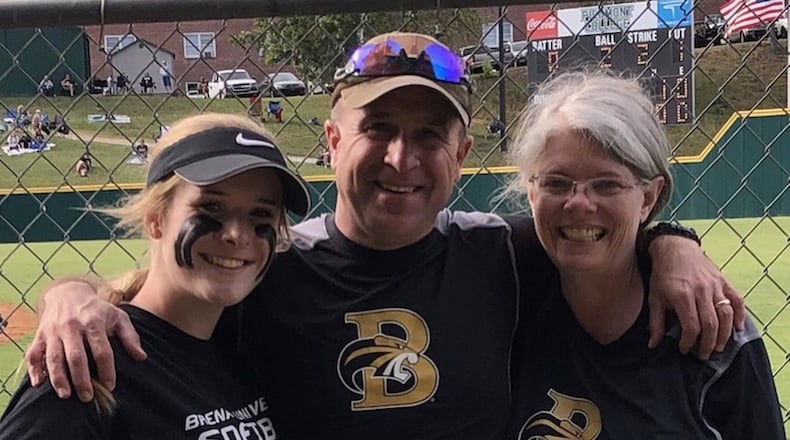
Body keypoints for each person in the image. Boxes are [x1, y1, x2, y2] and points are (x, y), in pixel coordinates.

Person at [26, 33, 743, 440]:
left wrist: (671, 243)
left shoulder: (508, 254)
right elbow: (172, 291)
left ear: (461, 156)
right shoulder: (269, 268)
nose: (402, 160)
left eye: (429, 136)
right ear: (333, 140)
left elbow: (591, 229)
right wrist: (75, 298)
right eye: (379, 130)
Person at [506, 70, 785, 439]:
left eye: (606, 184)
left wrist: (674, 240)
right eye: (556, 183)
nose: (578, 204)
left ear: (648, 198)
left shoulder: (710, 329)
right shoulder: (501, 298)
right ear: (530, 192)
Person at [0, 113, 311, 439]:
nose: (236, 234)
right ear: (155, 219)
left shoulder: (251, 336)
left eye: (260, 214)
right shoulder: (90, 364)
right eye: (211, 208)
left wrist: (67, 290)